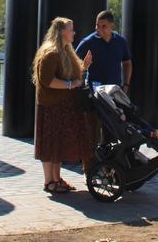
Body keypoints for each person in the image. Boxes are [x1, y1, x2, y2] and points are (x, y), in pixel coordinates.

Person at [32, 17, 93, 194]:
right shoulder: (51, 53)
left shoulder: (66, 50)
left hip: (63, 106)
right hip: (51, 107)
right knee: (50, 145)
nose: (73, 32)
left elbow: (71, 73)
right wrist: (70, 85)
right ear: (61, 32)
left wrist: (84, 66)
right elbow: (47, 81)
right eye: (70, 29)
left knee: (57, 145)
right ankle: (49, 181)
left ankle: (57, 179)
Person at [76, 11, 131, 91]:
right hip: (94, 91)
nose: (99, 29)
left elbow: (127, 63)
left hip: (115, 90)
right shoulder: (87, 42)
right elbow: (72, 62)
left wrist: (126, 85)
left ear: (112, 25)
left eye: (103, 26)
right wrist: (82, 67)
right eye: (97, 25)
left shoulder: (121, 41)